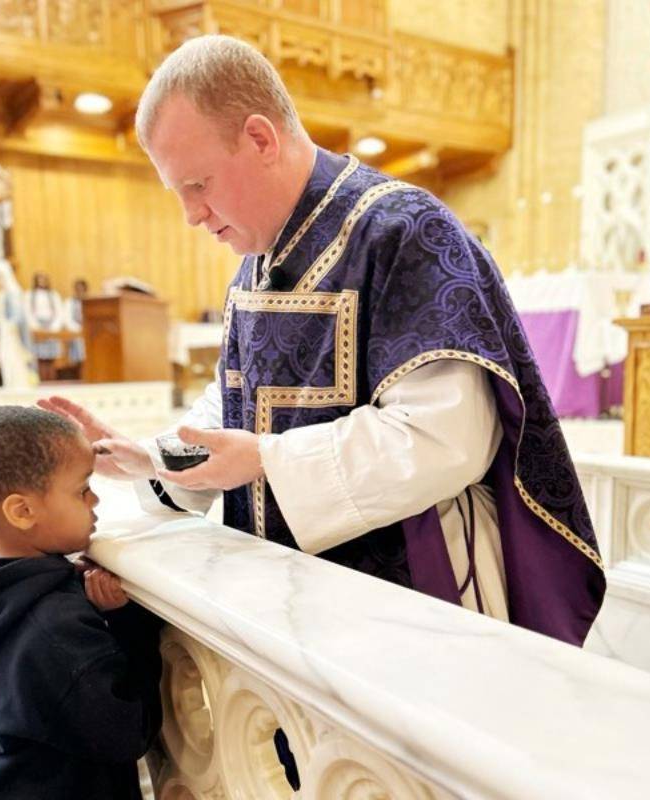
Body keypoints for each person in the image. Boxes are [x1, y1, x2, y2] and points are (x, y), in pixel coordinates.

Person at [41, 35, 605, 646]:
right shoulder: (259, 257)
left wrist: (267, 461)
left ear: (261, 139)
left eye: (198, 184)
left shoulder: (402, 232)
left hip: (413, 593)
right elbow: (236, 402)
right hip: (289, 591)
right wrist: (154, 457)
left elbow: (447, 438)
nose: (191, 215)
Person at [0, 406, 162, 800]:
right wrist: (130, 622)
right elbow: (128, 732)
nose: (95, 499)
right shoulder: (54, 625)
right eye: (82, 489)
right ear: (22, 511)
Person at [0, 258, 37, 388]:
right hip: (3, 331)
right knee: (5, 359)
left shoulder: (13, 292)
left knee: (15, 358)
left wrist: (10, 325)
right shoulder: (0, 293)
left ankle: (20, 385)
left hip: (12, 333)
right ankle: (10, 384)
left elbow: (18, 314)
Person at [25, 272, 64, 381]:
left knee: (51, 358)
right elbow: (27, 312)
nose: (41, 282)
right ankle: (42, 380)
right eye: (39, 279)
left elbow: (59, 312)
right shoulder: (29, 295)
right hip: (37, 327)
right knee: (40, 357)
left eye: (43, 279)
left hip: (51, 326)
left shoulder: (53, 295)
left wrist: (53, 326)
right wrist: (36, 327)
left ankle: (52, 380)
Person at [64, 278, 88, 372]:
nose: (79, 290)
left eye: (81, 288)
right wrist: (78, 328)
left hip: (88, 332)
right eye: (78, 288)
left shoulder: (90, 301)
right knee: (77, 359)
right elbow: (67, 318)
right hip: (75, 332)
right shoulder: (69, 302)